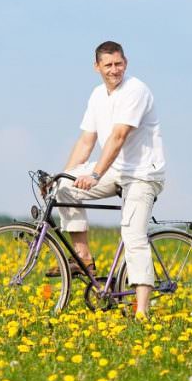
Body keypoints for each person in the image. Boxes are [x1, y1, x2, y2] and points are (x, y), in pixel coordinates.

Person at [49, 41, 166, 318]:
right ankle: (83, 258)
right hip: (115, 169)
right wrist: (62, 175)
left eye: (119, 64)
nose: (115, 70)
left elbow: (118, 137)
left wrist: (95, 174)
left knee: (133, 234)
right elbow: (86, 141)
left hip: (142, 173)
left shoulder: (135, 90)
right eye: (108, 65)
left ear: (125, 62)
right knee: (62, 187)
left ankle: (142, 312)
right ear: (97, 67)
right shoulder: (97, 96)